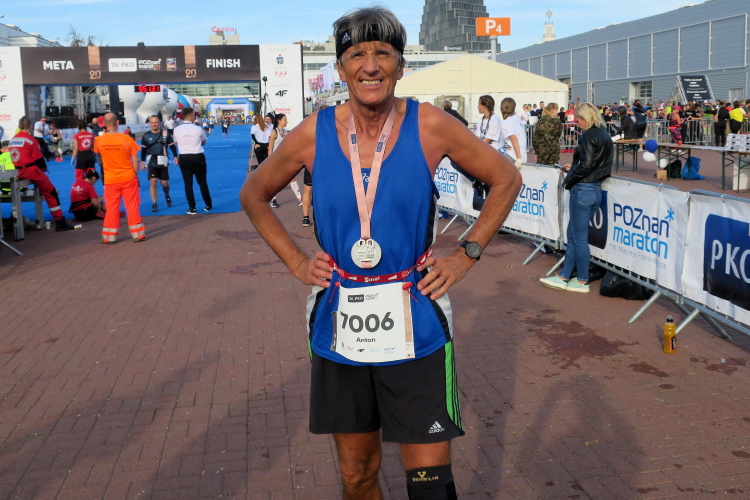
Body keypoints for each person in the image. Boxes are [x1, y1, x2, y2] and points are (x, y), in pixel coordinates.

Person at [239, 7, 521, 499]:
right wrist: (297, 262)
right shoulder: (313, 132)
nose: (370, 66)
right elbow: (253, 194)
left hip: (417, 313)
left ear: (400, 65)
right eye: (357, 54)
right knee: (357, 474)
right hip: (340, 316)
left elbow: (506, 178)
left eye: (383, 53)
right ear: (341, 67)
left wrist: (466, 254)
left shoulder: (429, 124)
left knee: (430, 484)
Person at [540, 102, 612, 293]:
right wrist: (575, 169)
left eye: (578, 119)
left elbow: (586, 165)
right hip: (595, 189)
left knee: (578, 237)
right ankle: (565, 275)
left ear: (585, 118)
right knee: (574, 235)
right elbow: (596, 165)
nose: (576, 122)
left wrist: (570, 178)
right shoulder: (605, 135)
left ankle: (581, 280)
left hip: (583, 189)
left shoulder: (588, 136)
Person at [8, 117, 75, 231]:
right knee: (51, 193)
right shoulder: (31, 140)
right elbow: (39, 160)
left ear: (19, 126)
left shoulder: (12, 140)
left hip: (18, 171)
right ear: (30, 126)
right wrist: (43, 169)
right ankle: (59, 221)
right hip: (31, 170)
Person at [94, 113, 146, 243]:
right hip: (128, 177)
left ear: (104, 124)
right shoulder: (126, 139)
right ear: (117, 123)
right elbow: (135, 159)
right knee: (132, 206)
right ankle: (138, 234)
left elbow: (99, 157)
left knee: (112, 208)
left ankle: (109, 237)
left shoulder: (99, 140)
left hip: (110, 179)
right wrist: (134, 175)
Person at [173, 106, 212, 214]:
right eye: (193, 114)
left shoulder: (176, 129)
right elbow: (203, 141)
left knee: (188, 183)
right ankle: (208, 204)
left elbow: (176, 142)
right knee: (202, 182)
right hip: (197, 156)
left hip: (184, 157)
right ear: (190, 115)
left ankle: (192, 207)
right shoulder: (198, 128)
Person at [141, 115, 177, 212]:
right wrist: (142, 162)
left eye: (156, 122)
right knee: (153, 182)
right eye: (152, 122)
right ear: (149, 123)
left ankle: (166, 194)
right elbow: (143, 150)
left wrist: (175, 156)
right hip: (151, 161)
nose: (154, 124)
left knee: (165, 183)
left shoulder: (165, 133)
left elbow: (172, 146)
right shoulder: (146, 135)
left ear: (159, 123)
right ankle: (154, 203)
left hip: (163, 160)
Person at [267, 113, 302, 208]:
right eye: (285, 120)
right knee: (274, 181)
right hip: (276, 160)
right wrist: (269, 161)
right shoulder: (274, 132)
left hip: (286, 160)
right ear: (279, 121)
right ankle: (273, 200)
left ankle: (300, 199)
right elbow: (270, 148)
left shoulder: (286, 132)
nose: (286, 121)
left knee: (292, 178)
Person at [499, 97, 527, 168]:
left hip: (513, 156)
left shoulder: (505, 123)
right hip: (522, 154)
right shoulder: (517, 118)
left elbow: (514, 139)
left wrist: (519, 158)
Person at [533, 102, 563, 167]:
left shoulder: (541, 120)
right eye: (556, 109)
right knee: (553, 168)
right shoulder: (557, 121)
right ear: (553, 110)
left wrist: (536, 151)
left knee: (541, 168)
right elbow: (559, 134)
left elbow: (536, 137)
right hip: (553, 148)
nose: (557, 111)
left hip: (542, 149)